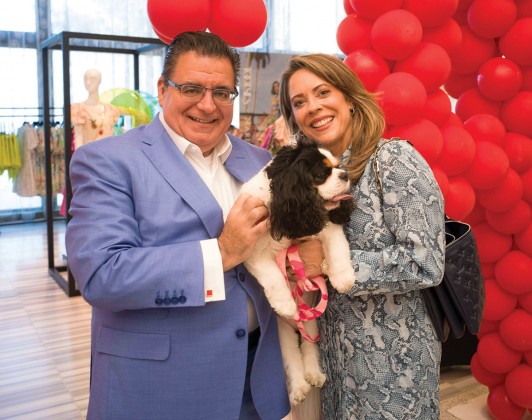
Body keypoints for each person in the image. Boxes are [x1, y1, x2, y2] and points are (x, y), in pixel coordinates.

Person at [65, 31, 290, 420]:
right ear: (162, 89)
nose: (208, 105)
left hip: (255, 382)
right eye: (191, 88)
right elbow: (101, 275)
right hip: (159, 387)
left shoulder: (258, 159)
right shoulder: (107, 160)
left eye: (222, 93)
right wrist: (220, 253)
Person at [279, 53, 446, 419]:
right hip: (335, 366)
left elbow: (426, 263)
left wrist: (324, 262)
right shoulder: (311, 179)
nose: (314, 108)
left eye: (323, 92)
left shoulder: (393, 160)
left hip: (394, 368)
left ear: (349, 98)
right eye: (299, 102)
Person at [71, 68, 120, 148]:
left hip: (109, 156)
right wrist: (79, 159)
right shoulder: (79, 109)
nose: (88, 82)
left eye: (92, 79)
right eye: (85, 79)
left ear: (99, 81)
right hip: (89, 157)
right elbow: (78, 139)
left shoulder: (111, 109)